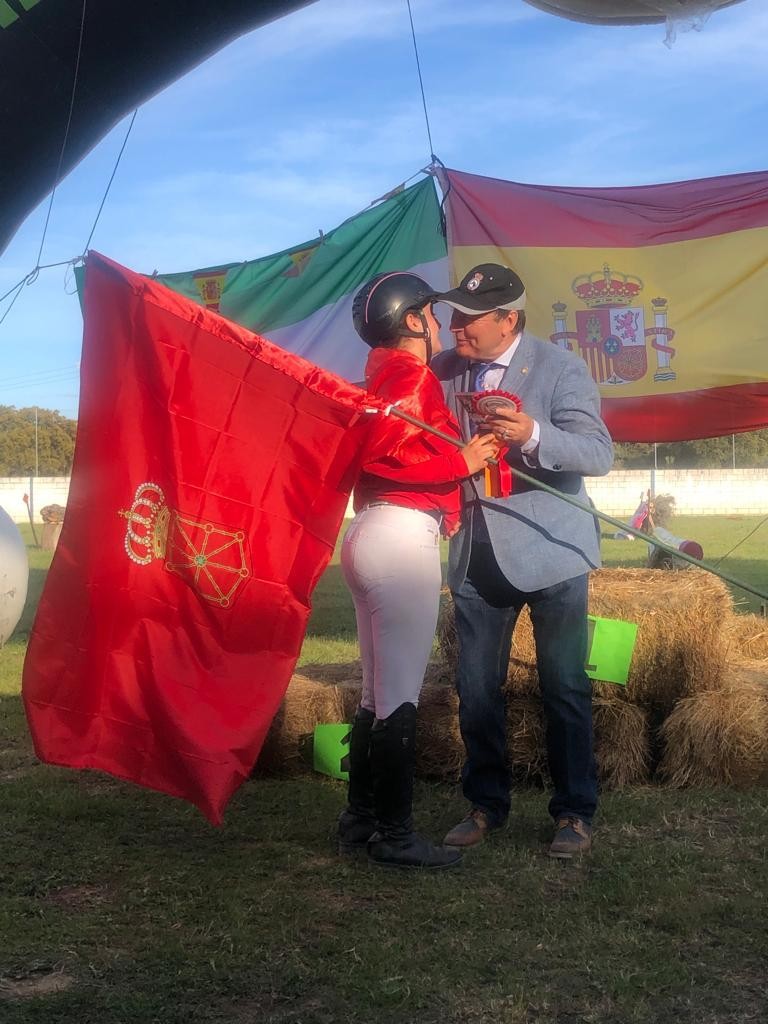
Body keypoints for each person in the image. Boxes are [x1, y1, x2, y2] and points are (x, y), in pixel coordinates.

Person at [430, 263, 614, 859]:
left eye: (469, 317)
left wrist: (533, 432)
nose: (456, 326)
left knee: (564, 686)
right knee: (476, 689)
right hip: (476, 557)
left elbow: (597, 454)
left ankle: (574, 812)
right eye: (453, 314)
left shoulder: (561, 368)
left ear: (509, 319)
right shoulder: (442, 372)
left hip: (553, 551)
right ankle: (486, 802)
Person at [337, 271, 498, 870]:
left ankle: (361, 817)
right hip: (401, 539)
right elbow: (390, 452)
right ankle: (396, 835)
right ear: (413, 321)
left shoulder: (380, 375)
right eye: (431, 315)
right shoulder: (408, 376)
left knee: (378, 691)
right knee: (398, 695)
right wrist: (462, 460)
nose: (438, 325)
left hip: (371, 536)